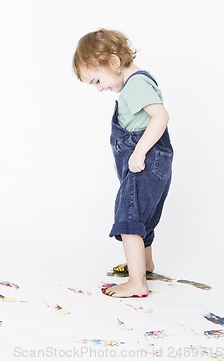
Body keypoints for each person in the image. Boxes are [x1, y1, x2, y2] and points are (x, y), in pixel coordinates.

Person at [72, 29, 173, 298]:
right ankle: (145, 263)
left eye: (96, 80)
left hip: (147, 159)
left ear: (113, 62)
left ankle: (137, 281)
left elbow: (160, 117)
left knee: (129, 217)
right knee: (143, 216)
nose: (98, 88)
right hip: (149, 161)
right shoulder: (132, 87)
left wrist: (138, 153)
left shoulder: (136, 85)